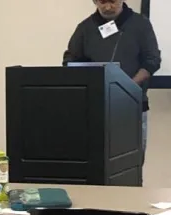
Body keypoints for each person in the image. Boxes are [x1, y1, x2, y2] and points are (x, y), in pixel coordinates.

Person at [63, 0, 161, 159]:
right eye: (102, 2)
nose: (108, 7)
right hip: (93, 108)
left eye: (113, 1)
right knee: (94, 162)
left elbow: (152, 61)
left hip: (131, 106)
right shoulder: (85, 27)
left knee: (130, 165)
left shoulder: (140, 24)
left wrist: (127, 87)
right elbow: (70, 61)